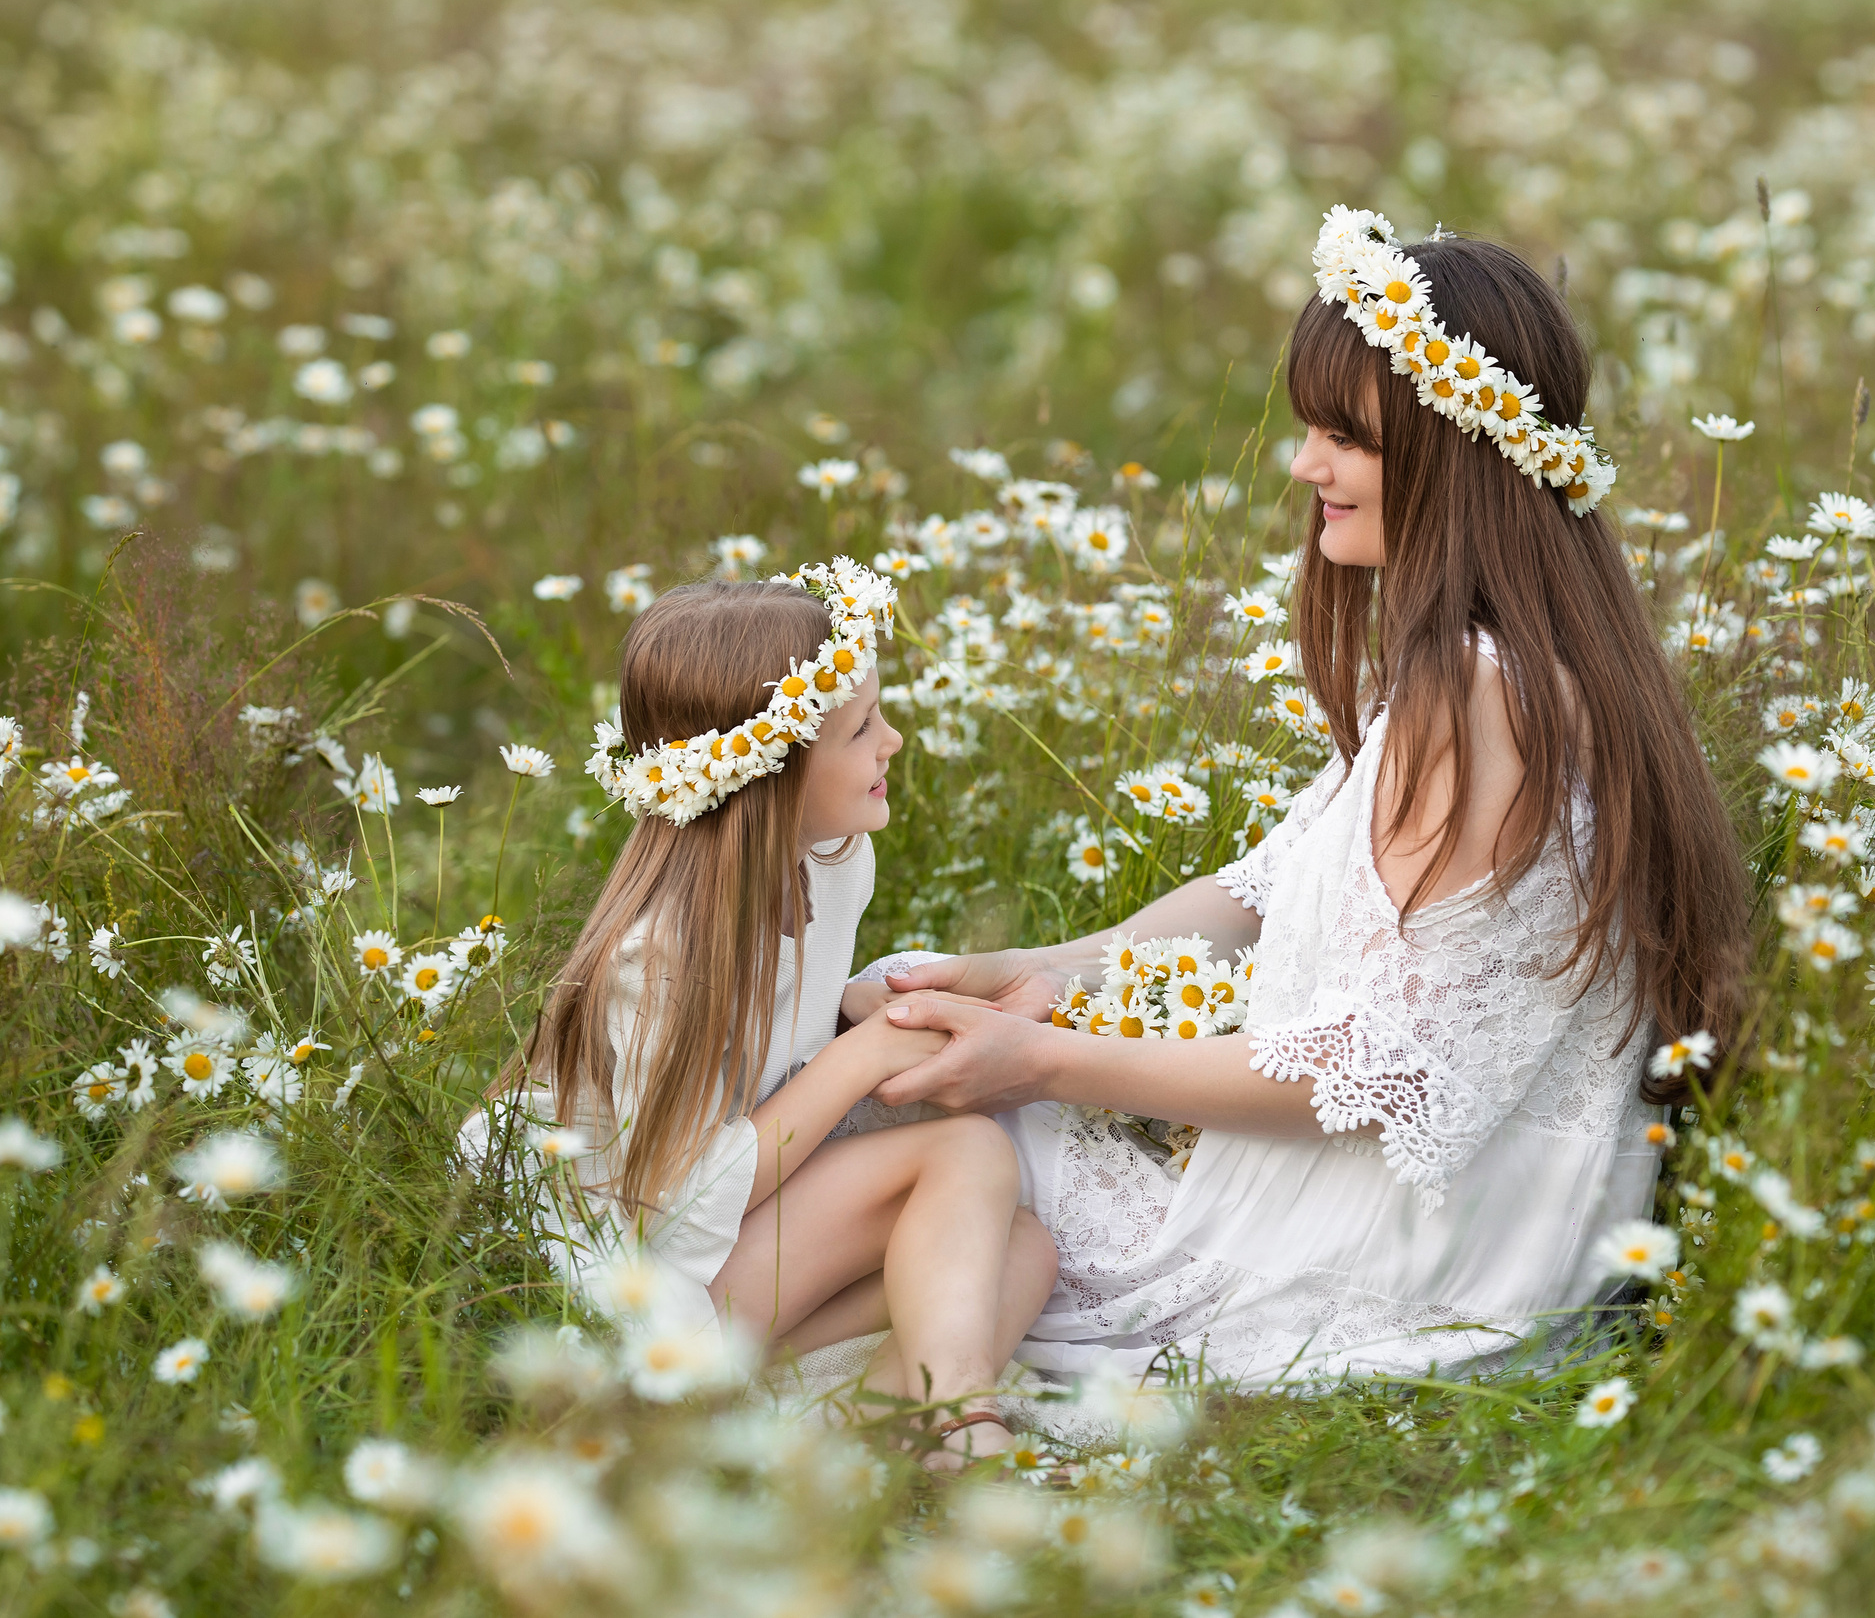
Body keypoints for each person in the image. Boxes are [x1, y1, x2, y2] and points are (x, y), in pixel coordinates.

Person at [874, 213, 1750, 1387]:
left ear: (1457, 453)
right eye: (1309, 429)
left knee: (912, 1133)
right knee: (899, 1050)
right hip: (1456, 1230)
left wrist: (1038, 1061)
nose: (1305, 468)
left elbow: (1373, 1068)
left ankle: (825, 1388)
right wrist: (1021, 972)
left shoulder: (1477, 692)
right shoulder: (1513, 661)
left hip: (1403, 1260)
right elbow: (1252, 896)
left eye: (1346, 438)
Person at [482, 564, 1054, 1460]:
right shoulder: (658, 959)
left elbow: (778, 1020)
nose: (893, 741)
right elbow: (676, 1201)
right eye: (862, 727)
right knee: (966, 1152)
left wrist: (850, 1009)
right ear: (775, 772)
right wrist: (860, 1058)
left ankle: (820, 1448)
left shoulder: (832, 858)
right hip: (649, 1273)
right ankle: (963, 1416)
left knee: (1021, 1254)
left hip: (731, 1262)